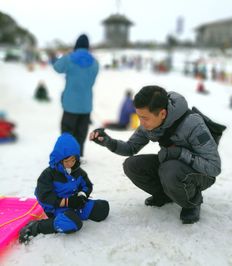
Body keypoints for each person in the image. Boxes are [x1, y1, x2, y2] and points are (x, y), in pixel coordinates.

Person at [89, 85, 221, 224]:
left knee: (169, 169)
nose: (141, 123)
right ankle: (166, 195)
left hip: (201, 174)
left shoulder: (193, 124)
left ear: (162, 114)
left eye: (145, 118)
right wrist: (108, 142)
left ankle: (192, 202)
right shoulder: (150, 122)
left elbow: (214, 168)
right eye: (139, 117)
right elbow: (130, 148)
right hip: (172, 166)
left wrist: (179, 153)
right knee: (132, 165)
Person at [19, 133, 109, 243]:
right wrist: (67, 202)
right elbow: (44, 196)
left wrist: (82, 195)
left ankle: (75, 214)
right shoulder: (48, 174)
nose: (70, 164)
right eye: (66, 161)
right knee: (71, 224)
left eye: (73, 160)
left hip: (77, 205)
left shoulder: (78, 172)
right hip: (58, 208)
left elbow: (87, 185)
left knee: (102, 209)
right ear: (58, 159)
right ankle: (37, 226)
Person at [53, 34, 99, 159]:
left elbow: (57, 67)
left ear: (76, 45)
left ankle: (67, 156)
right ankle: (78, 155)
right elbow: (92, 81)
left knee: (67, 130)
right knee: (81, 131)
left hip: (70, 103)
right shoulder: (95, 62)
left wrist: (68, 55)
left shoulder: (69, 59)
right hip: (86, 103)